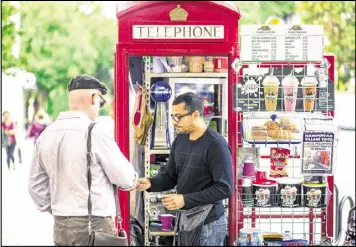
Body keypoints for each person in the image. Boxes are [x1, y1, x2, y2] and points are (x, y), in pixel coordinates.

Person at [28, 74, 138, 246]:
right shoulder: (96, 133)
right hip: (95, 226)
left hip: (61, 226)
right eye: (101, 102)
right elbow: (126, 179)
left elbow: (36, 188)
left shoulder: (46, 135)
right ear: (94, 98)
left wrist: (62, 209)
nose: (100, 107)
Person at [136, 92, 233, 246]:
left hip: (209, 224)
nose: (174, 122)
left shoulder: (216, 145)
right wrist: (150, 183)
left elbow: (225, 188)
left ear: (195, 115)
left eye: (178, 117)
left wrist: (184, 199)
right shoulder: (180, 140)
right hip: (186, 220)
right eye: (172, 116)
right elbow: (170, 176)